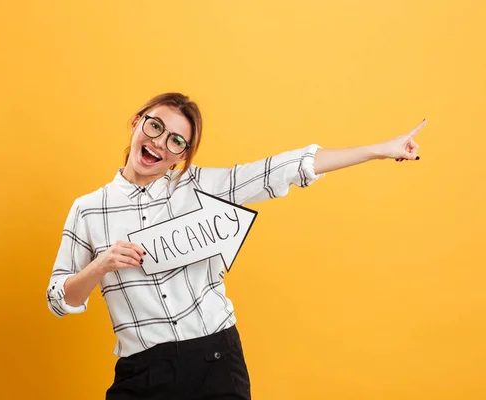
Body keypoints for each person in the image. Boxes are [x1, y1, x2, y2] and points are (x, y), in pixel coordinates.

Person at [46, 92, 425, 399]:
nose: (159, 142)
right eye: (155, 126)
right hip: (143, 372)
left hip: (214, 360)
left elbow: (284, 168)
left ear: (182, 155)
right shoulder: (88, 210)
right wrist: (100, 265)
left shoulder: (196, 188)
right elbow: (60, 299)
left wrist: (378, 150)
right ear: (136, 122)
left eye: (176, 140)